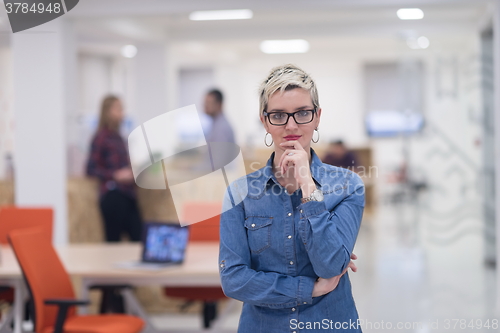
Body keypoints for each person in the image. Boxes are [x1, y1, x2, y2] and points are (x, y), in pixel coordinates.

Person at [219, 64, 365, 332]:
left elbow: (331, 265)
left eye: (302, 113)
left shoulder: (348, 186)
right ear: (264, 121)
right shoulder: (239, 193)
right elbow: (234, 279)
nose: (291, 126)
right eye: (278, 115)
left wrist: (308, 186)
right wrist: (310, 287)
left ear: (317, 117)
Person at [86, 95, 142, 243]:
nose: (122, 112)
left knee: (139, 238)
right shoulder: (101, 138)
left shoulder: (119, 138)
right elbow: (90, 169)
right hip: (113, 196)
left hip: (128, 195)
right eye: (118, 109)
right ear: (107, 112)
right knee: (113, 241)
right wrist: (116, 175)